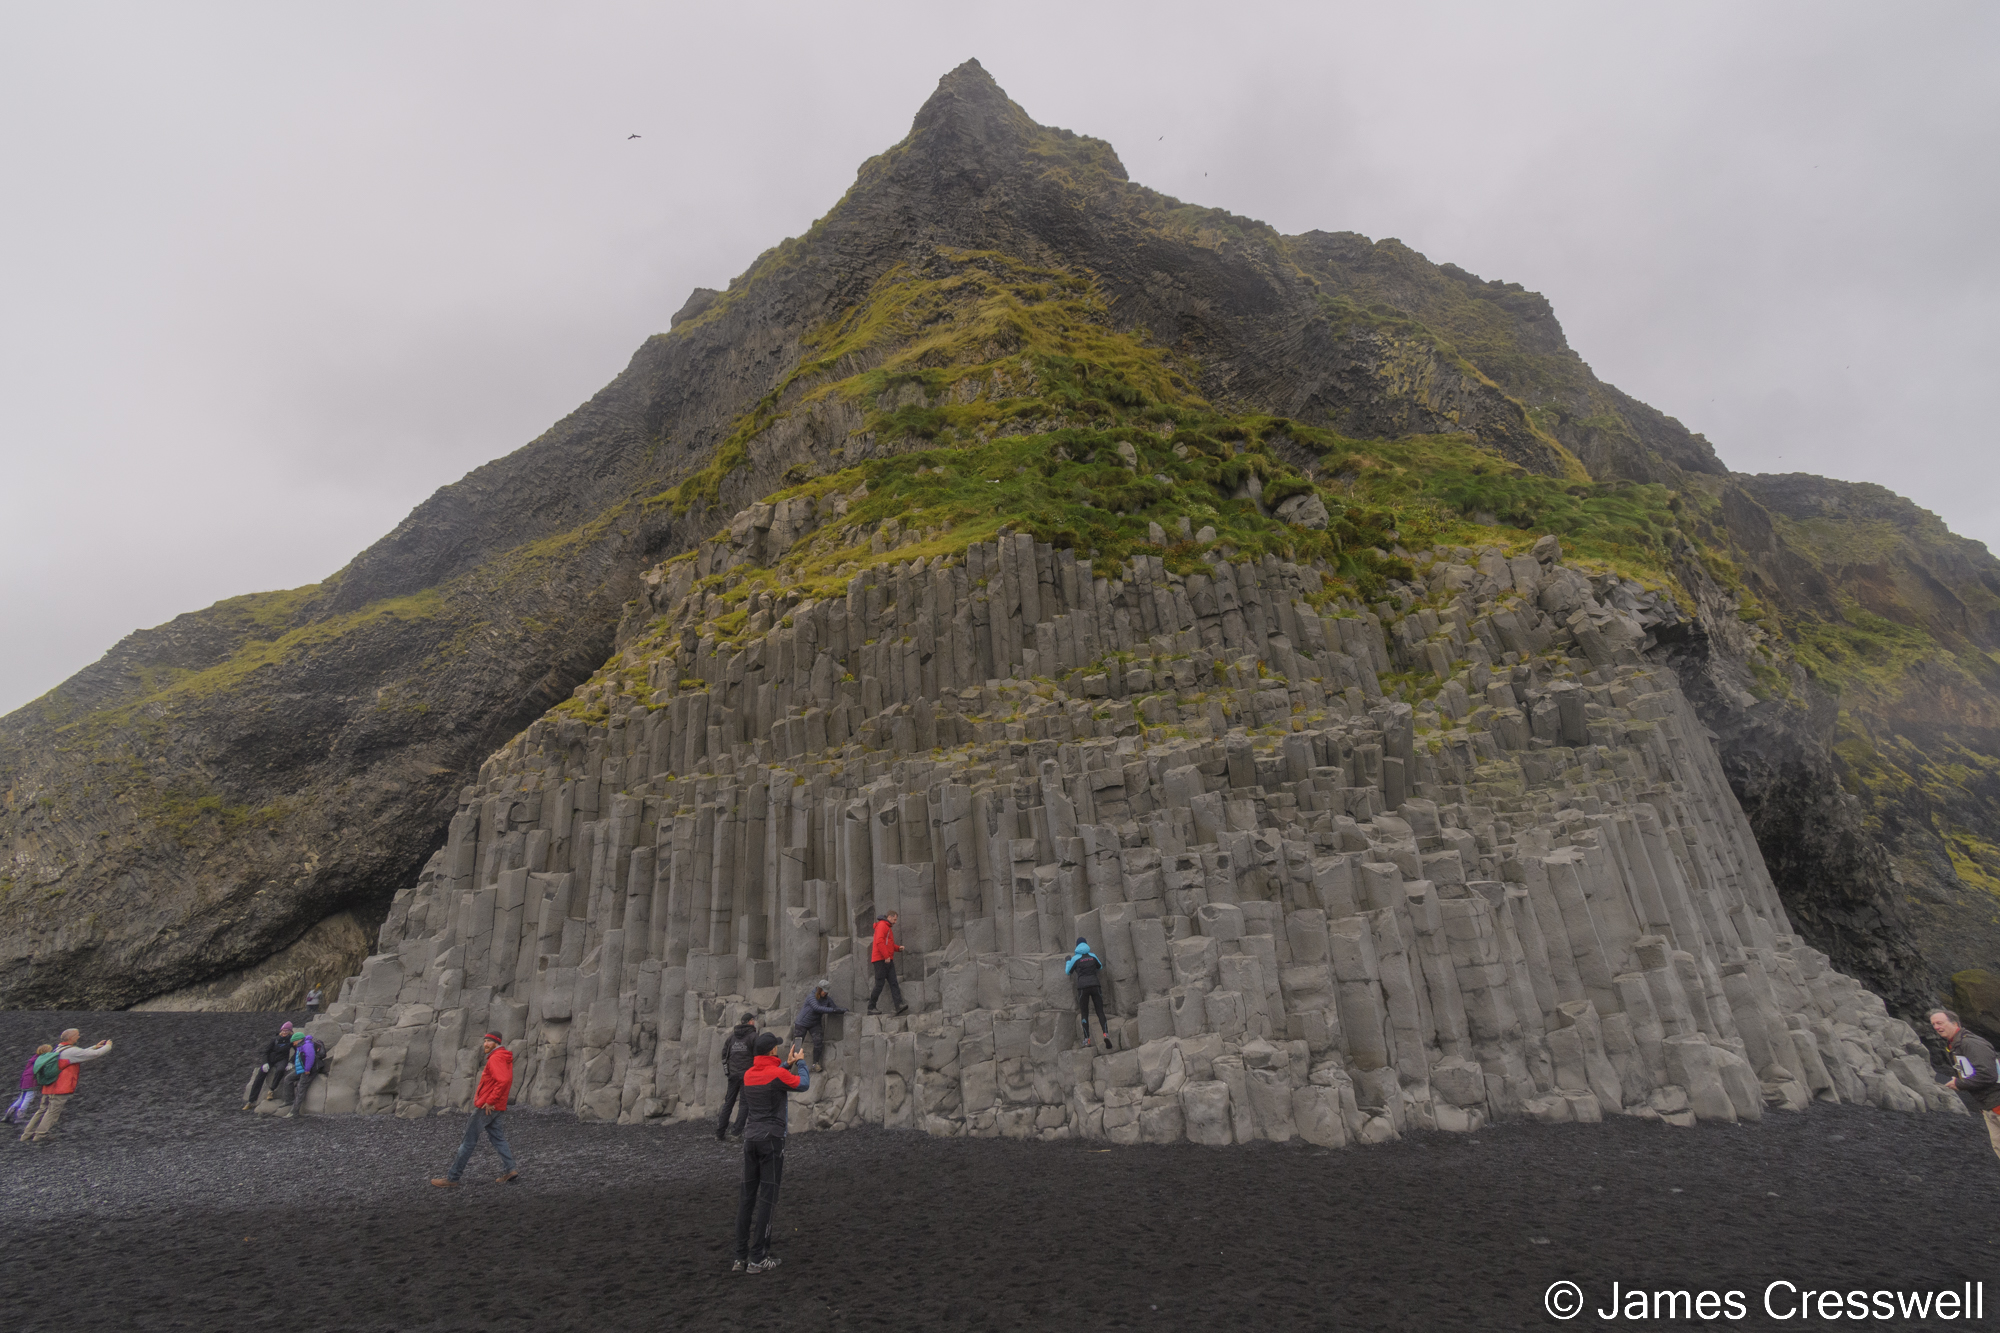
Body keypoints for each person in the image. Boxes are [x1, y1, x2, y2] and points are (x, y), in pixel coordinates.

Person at [733, 1031, 808, 1273]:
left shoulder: (748, 1075)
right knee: (768, 1198)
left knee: (747, 1198)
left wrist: (788, 1063)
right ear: (771, 1051)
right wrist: (802, 1062)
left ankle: (740, 1257)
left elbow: (771, 1076)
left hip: (750, 1140)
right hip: (772, 1141)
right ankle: (757, 1258)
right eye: (776, 1047)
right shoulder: (776, 1074)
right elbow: (802, 1084)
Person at [432, 1033, 519, 1187]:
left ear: (496, 1043)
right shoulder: (501, 1057)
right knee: (498, 1138)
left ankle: (452, 1178)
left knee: (468, 1141)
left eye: (489, 1041)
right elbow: (503, 1080)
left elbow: (504, 1080)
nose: (485, 1044)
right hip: (496, 1107)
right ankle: (510, 1170)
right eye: (485, 1041)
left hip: (487, 1107)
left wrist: (490, 1101)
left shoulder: (496, 1058)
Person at [18, 1029, 113, 1143]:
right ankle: (40, 1135)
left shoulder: (58, 1049)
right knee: (52, 1112)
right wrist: (107, 1046)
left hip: (48, 1086)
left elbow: (79, 1054)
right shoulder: (71, 1051)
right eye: (77, 1035)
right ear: (71, 1038)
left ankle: (26, 1134)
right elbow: (92, 1055)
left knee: (42, 1110)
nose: (79, 1037)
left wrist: (94, 1047)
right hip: (59, 1088)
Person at [1930, 1008, 2000, 1162]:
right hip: (1989, 1106)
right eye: (1933, 1024)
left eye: (1939, 1022)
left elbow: (1988, 1075)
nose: (1936, 1027)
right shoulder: (1956, 1045)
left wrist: (1959, 1084)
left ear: (1954, 1023)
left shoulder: (1970, 1043)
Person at [715, 1013, 759, 1141]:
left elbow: (724, 1055)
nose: (754, 1022)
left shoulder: (732, 1037)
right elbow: (758, 1056)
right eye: (753, 1020)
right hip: (747, 1075)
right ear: (750, 1022)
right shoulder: (754, 1037)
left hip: (733, 1075)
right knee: (744, 1104)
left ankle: (719, 1133)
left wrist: (727, 1072)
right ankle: (735, 1133)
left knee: (729, 1103)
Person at [1066, 936, 1113, 1048]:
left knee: (1084, 1013)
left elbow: (1068, 972)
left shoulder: (1075, 958)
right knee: (1100, 1011)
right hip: (1095, 985)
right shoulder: (1092, 956)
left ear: (1077, 946)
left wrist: (1068, 961)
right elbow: (1100, 966)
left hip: (1083, 988)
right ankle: (1106, 1034)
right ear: (1086, 945)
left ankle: (1087, 1039)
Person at [790, 981, 846, 1071]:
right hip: (802, 1023)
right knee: (797, 1045)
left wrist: (842, 1010)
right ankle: (791, 1065)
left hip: (815, 1024)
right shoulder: (811, 997)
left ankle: (815, 1064)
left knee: (818, 1042)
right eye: (824, 990)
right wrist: (833, 1010)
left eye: (827, 991)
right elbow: (817, 1008)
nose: (825, 993)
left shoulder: (827, 999)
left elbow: (834, 1008)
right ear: (819, 989)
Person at [866, 910, 910, 1016]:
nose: (895, 922)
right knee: (879, 984)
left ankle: (898, 1005)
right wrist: (886, 956)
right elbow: (879, 942)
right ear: (889, 917)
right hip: (881, 960)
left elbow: (888, 945)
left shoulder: (887, 927)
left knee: (893, 982)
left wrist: (898, 948)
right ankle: (871, 1007)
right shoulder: (882, 925)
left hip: (887, 959)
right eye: (894, 919)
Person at [244, 1022, 295, 1110]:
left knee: (280, 1070)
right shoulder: (275, 1039)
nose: (284, 1032)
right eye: (283, 1030)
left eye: (286, 1031)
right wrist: (265, 1063)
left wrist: (291, 1062)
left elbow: (298, 1051)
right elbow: (266, 1052)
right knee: (259, 1076)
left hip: (282, 1060)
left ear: (290, 1032)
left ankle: (271, 1090)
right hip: (271, 1060)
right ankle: (251, 1101)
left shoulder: (291, 1040)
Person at [5, 1045, 51, 1126]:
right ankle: (19, 1117)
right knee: (28, 1098)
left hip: (24, 1081)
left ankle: (8, 1114)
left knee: (21, 1098)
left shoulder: (33, 1059)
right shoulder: (41, 1060)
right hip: (32, 1082)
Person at [281, 1030, 322, 1118]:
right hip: (302, 1069)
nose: (293, 1044)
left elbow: (310, 1057)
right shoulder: (301, 1045)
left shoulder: (307, 1045)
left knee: (301, 1088)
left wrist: (307, 1069)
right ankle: (289, 1100)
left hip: (308, 1070)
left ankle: (294, 1112)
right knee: (288, 1079)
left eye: (294, 1042)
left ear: (298, 1040)